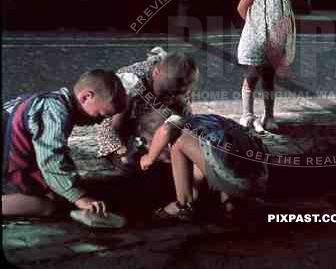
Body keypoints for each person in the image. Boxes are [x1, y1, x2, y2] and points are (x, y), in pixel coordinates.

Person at [2, 69, 127, 217]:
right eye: (101, 115)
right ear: (86, 97)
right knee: (48, 206)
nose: (99, 122)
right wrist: (79, 197)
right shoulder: (56, 112)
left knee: (56, 189)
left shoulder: (47, 100)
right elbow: (51, 159)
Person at [137, 110, 269, 221]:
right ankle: (230, 202)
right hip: (260, 178)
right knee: (218, 148)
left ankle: (183, 206)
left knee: (179, 142)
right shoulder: (203, 123)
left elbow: (165, 131)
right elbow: (199, 172)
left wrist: (149, 158)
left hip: (240, 180)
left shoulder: (176, 123)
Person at [95, 48, 199, 171]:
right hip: (120, 116)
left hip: (150, 111)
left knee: (178, 138)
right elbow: (116, 125)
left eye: (177, 93)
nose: (171, 98)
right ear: (155, 72)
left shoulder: (179, 81)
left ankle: (156, 144)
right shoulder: (131, 82)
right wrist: (122, 151)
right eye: (167, 93)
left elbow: (183, 116)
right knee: (126, 163)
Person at [236, 0, 297, 132]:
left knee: (270, 78)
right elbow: (242, 7)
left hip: (276, 39)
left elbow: (284, 7)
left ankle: (269, 116)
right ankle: (247, 114)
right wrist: (256, 29)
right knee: (253, 75)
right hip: (257, 39)